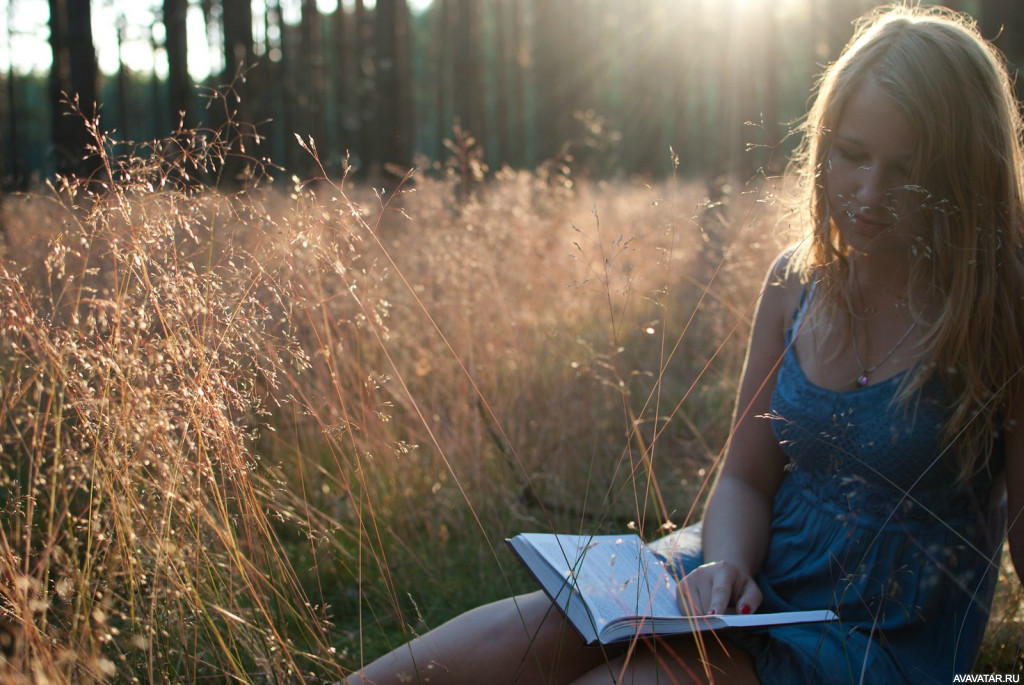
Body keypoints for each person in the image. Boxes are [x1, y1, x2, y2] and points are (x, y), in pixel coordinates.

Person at [349, 4, 1024, 683]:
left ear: (966, 170)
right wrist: (725, 563)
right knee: (521, 632)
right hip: (739, 577)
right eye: (851, 155)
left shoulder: (1001, 311)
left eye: (906, 169)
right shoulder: (798, 281)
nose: (868, 193)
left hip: (869, 640)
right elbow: (745, 477)